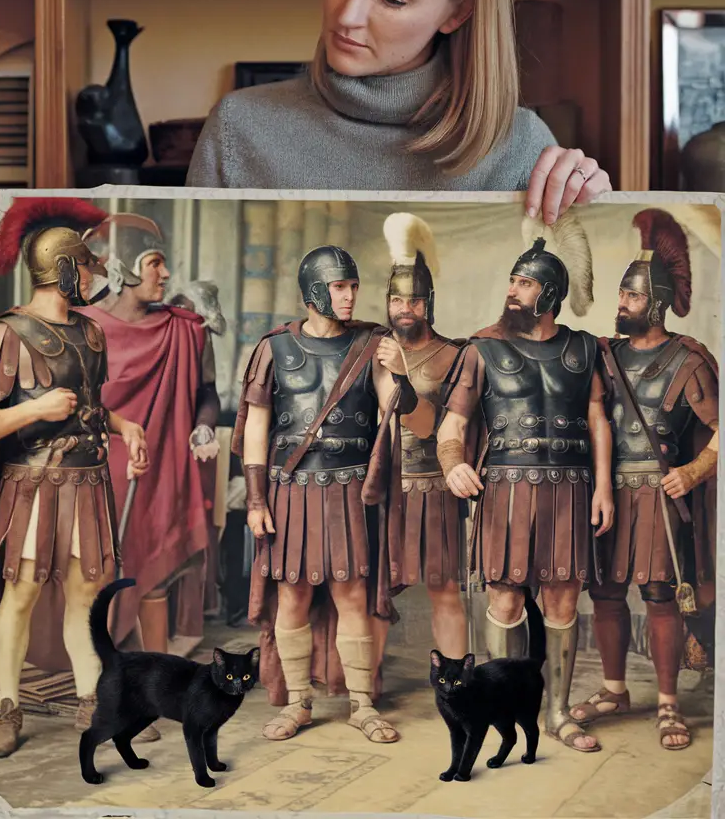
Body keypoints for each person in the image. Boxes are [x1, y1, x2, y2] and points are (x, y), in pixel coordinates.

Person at [187, 0, 611, 223]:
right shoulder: (238, 128)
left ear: (458, 14)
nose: (346, 15)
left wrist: (600, 212)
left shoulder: (521, 148)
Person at [232, 244, 434, 745]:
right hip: (290, 489)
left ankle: (362, 703)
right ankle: (299, 700)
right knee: (293, 595)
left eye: (353, 287)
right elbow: (256, 430)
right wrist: (256, 502)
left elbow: (399, 408)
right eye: (340, 287)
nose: (350, 297)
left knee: (351, 594)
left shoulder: (373, 344)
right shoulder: (272, 349)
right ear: (314, 291)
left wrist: (401, 369)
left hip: (350, 489)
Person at [436, 213, 615, 753]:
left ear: (551, 293)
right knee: (506, 598)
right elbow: (454, 427)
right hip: (504, 491)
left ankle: (559, 712)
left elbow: (598, 421)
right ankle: (502, 704)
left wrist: (604, 488)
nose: (512, 290)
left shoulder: (584, 349)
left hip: (569, 489)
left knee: (562, 602)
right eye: (513, 280)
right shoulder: (480, 350)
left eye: (525, 282)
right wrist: (452, 465)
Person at [0, 198, 148, 758]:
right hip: (32, 483)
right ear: (62, 269)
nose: (91, 276)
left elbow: (89, 408)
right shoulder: (7, 333)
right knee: (23, 592)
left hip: (87, 481)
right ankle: (7, 707)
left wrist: (126, 426)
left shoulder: (91, 333)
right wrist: (34, 411)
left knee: (86, 595)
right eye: (85, 266)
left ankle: (91, 700)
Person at [570, 209, 718, 751]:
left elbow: (720, 431)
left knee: (658, 595)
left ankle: (666, 702)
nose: (621, 304)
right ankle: (614, 690)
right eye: (620, 295)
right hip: (608, 491)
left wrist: (693, 471)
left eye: (631, 297)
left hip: (659, 496)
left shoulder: (689, 361)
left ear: (654, 303)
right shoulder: (603, 356)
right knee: (604, 591)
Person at [80, 213, 220, 665]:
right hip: (96, 470)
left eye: (164, 263)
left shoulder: (187, 328)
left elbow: (207, 394)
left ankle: (158, 688)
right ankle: (104, 685)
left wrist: (202, 425)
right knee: (96, 576)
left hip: (161, 470)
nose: (165, 274)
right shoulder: (81, 329)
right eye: (154, 262)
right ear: (122, 266)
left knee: (155, 575)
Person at [372, 210, 471, 661]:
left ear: (427, 302)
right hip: (380, 488)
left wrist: (399, 373)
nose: (404, 309)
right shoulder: (367, 352)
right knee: (373, 592)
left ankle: (458, 684)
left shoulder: (454, 356)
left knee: (444, 590)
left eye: (413, 301)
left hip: (433, 487)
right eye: (396, 300)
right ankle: (363, 694)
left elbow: (431, 425)